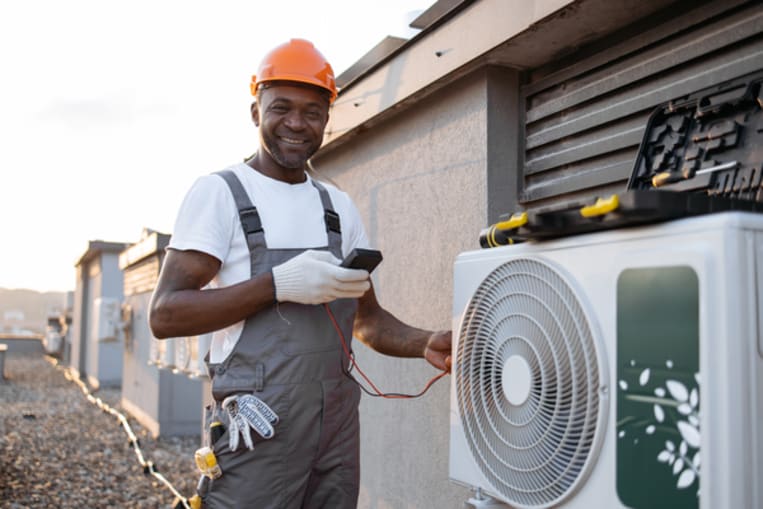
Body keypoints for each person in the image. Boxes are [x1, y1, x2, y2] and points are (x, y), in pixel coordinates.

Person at [148, 38, 452, 509]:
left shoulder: (336, 207)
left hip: (335, 428)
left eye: (312, 111)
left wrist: (423, 342)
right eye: (281, 107)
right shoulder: (221, 194)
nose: (296, 123)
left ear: (327, 119)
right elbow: (165, 315)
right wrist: (277, 285)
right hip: (260, 421)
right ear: (255, 112)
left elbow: (365, 320)